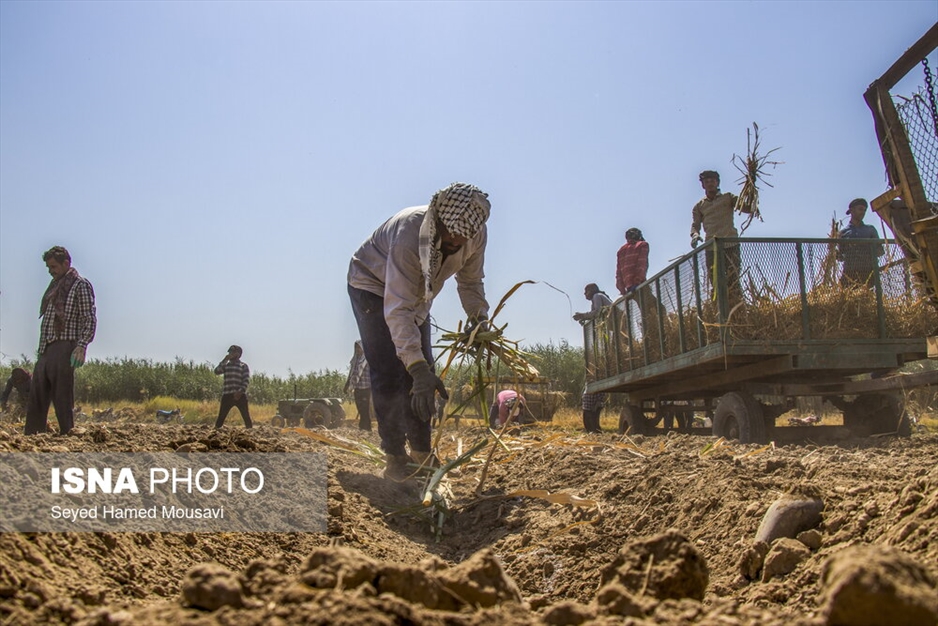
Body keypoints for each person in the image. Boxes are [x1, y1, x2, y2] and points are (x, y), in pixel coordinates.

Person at [348, 182, 492, 480]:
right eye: (451, 230)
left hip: (417, 297)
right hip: (372, 286)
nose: (457, 238)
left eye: (465, 234)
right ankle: (395, 456)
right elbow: (397, 309)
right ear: (437, 217)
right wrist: (415, 368)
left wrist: (479, 320)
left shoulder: (474, 234)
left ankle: (422, 452)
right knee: (391, 369)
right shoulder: (409, 235)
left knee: (425, 373)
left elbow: (470, 282)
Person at [25, 246, 96, 435]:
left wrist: (82, 346)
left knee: (62, 396)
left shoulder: (80, 285)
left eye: (54, 266)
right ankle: (32, 437)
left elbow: (88, 318)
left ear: (66, 263)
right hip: (47, 348)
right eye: (49, 268)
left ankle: (68, 434)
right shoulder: (54, 286)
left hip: (65, 346)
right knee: (37, 394)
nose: (51, 271)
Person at [690, 170, 750, 301]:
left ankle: (738, 310)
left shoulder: (728, 198)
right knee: (715, 281)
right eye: (707, 182)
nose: (710, 184)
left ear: (717, 183)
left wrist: (750, 191)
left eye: (712, 181)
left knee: (733, 279)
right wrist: (695, 235)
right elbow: (695, 225)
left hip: (730, 244)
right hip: (712, 247)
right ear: (703, 185)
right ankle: (719, 309)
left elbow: (747, 208)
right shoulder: (699, 206)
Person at [837, 198, 884, 287]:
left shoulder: (870, 230)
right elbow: (840, 257)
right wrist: (834, 254)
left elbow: (880, 251)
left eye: (864, 210)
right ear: (852, 210)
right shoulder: (843, 233)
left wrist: (868, 253)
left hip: (869, 272)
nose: (863, 212)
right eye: (860, 209)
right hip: (850, 273)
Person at [213, 345, 253, 429]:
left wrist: (240, 391)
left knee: (246, 416)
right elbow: (217, 371)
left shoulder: (243, 366)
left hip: (240, 395)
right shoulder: (226, 365)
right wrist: (224, 360)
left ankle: (250, 432)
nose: (230, 354)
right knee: (221, 417)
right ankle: (216, 431)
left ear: (238, 354)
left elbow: (246, 380)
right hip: (227, 395)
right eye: (229, 352)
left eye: (232, 352)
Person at [344, 340, 374, 431]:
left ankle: (366, 428)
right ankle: (363, 427)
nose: (357, 349)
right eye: (356, 348)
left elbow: (373, 372)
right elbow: (352, 373)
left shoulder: (367, 359)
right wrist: (347, 384)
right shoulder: (354, 360)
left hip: (367, 386)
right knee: (360, 407)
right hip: (357, 387)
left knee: (365, 408)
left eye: (359, 347)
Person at [616, 228, 649, 296]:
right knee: (653, 305)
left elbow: (619, 272)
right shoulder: (642, 245)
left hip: (628, 288)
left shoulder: (621, 251)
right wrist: (637, 281)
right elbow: (642, 264)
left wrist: (622, 290)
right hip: (638, 284)